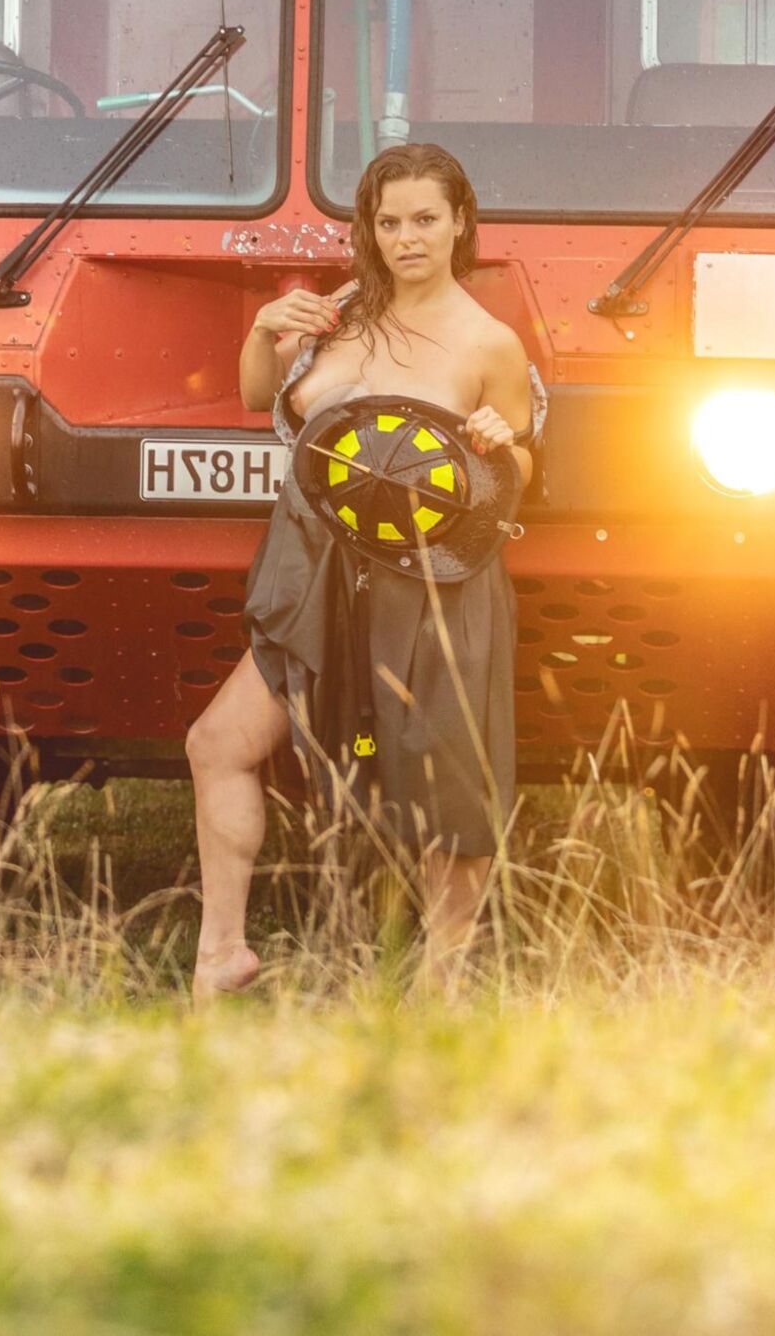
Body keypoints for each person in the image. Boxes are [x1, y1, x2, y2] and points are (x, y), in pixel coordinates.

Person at [185, 141, 546, 1002]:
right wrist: (264, 331)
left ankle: (442, 979)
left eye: (425, 219)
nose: (406, 238)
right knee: (218, 744)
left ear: (461, 222)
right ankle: (220, 957)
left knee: (444, 782)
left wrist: (502, 450)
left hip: (432, 583)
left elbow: (522, 475)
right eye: (388, 222)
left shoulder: (489, 343)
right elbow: (253, 398)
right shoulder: (342, 312)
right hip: (312, 567)